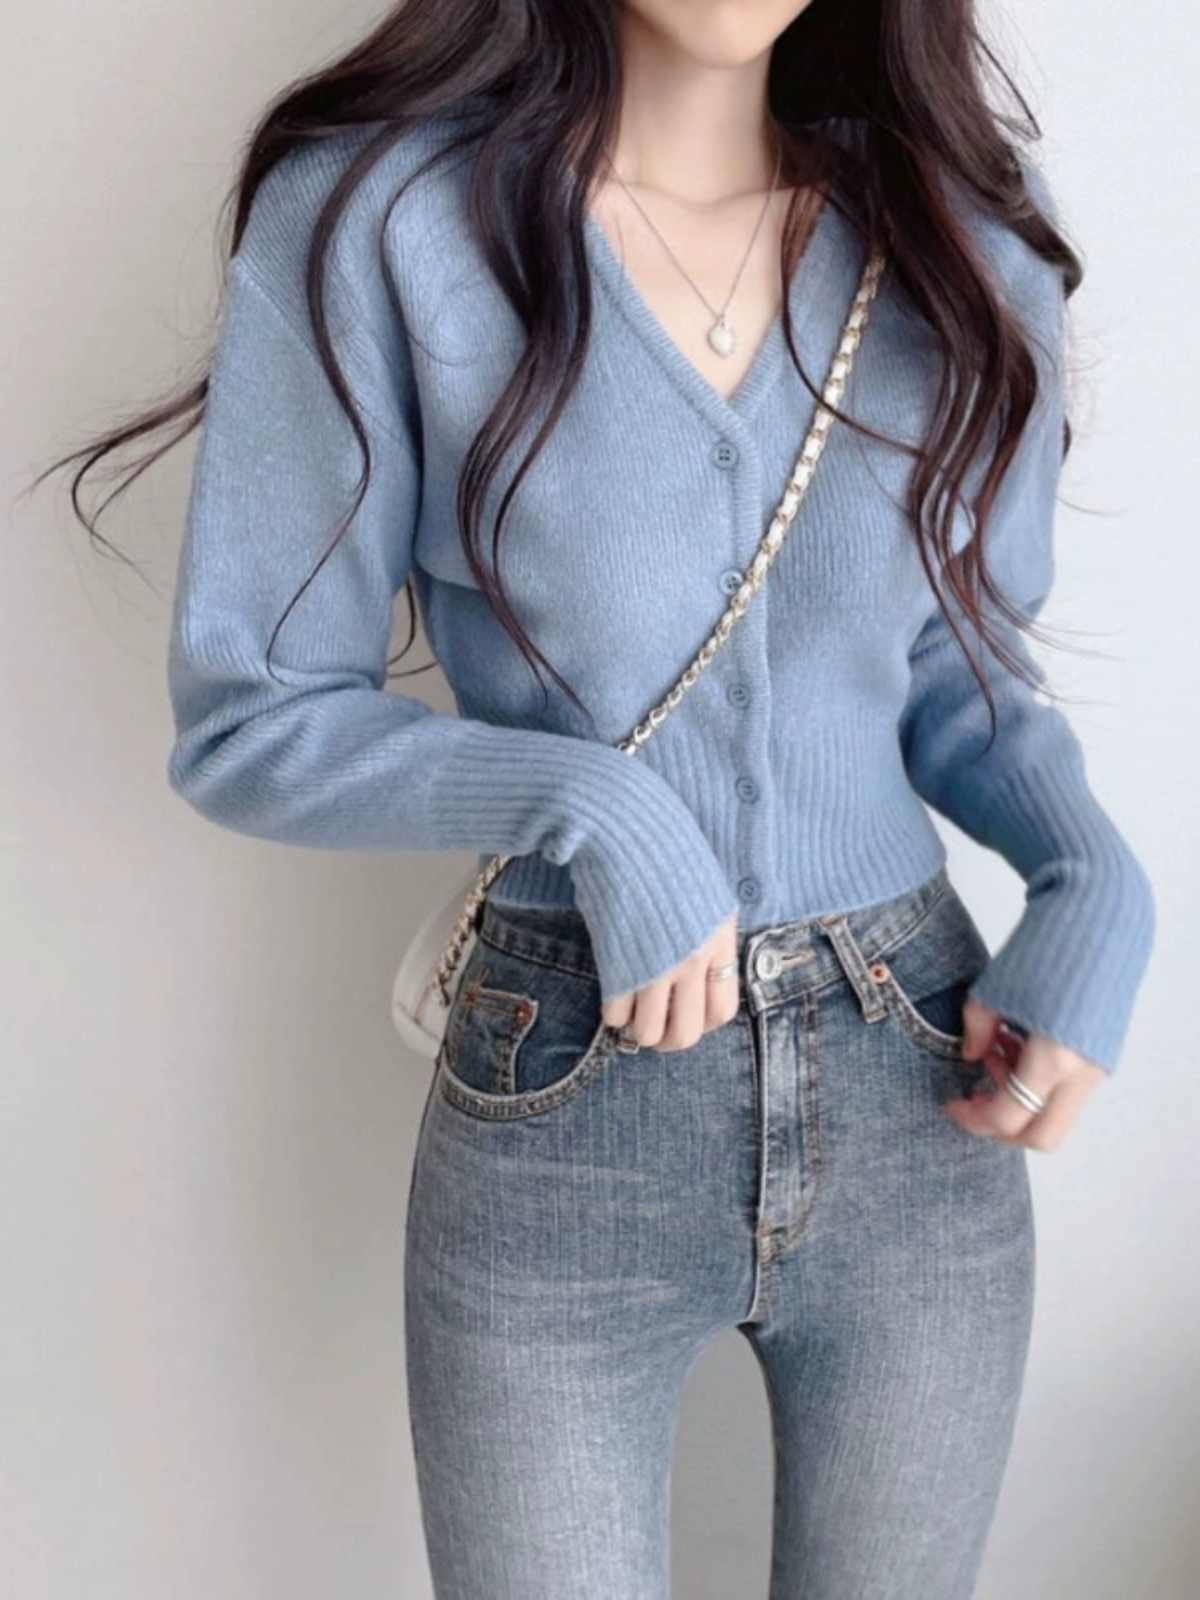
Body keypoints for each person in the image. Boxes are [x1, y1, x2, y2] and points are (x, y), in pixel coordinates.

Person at [38, 2, 1156, 1594]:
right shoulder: (387, 225)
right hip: (564, 1077)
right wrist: (594, 807)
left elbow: (951, 668)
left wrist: (1091, 875)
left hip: (918, 1075)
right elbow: (254, 718)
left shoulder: (960, 239)